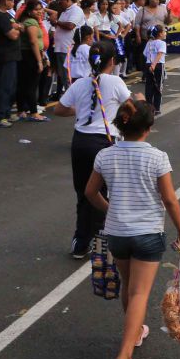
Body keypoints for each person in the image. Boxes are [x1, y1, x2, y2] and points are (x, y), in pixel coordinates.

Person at [85, 100, 180, 359]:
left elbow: (90, 193)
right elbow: (169, 199)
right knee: (140, 293)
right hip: (147, 233)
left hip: (117, 233)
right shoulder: (157, 157)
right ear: (149, 126)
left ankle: (136, 331)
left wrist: (112, 210)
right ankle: (123, 356)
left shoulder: (105, 156)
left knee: (129, 287)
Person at [55, 39, 134, 258]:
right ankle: (100, 244)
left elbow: (60, 109)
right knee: (102, 194)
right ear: (112, 60)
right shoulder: (115, 81)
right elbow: (132, 106)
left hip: (80, 141)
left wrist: (82, 111)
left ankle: (80, 243)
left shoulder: (80, 82)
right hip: (103, 142)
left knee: (83, 193)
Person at [0, 0, 22, 127]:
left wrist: (17, 27)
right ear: (4, 1)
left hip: (12, 55)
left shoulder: (7, 15)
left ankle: (6, 112)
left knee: (10, 86)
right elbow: (13, 34)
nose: (12, 2)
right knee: (3, 86)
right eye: (10, 0)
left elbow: (17, 26)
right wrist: (18, 29)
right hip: (4, 56)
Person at [143, 25, 167, 115]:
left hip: (148, 64)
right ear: (160, 34)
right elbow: (160, 54)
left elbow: (145, 53)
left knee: (149, 87)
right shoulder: (162, 43)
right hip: (158, 65)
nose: (165, 33)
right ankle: (156, 108)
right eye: (164, 32)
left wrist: (151, 63)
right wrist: (154, 64)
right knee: (158, 87)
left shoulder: (149, 43)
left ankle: (148, 107)